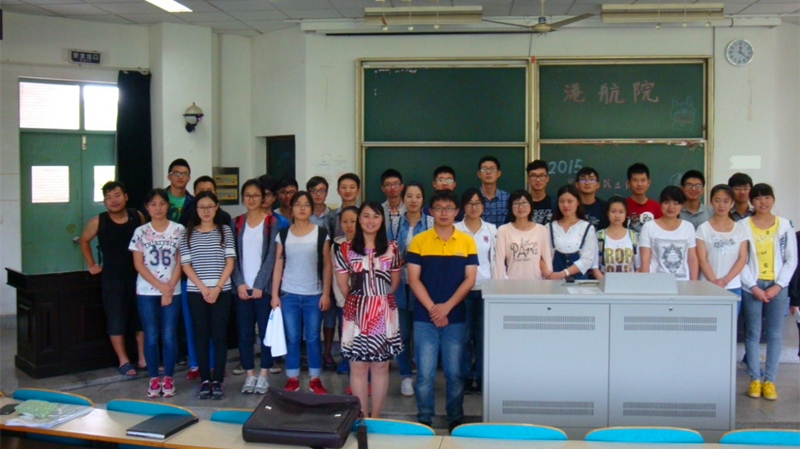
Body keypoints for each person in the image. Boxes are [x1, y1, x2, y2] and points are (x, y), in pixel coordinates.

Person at [406, 189, 478, 433]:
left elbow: (469, 279)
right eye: (438, 208)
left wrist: (446, 307)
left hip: (455, 317)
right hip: (424, 318)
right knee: (425, 374)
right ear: (430, 211)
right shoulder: (420, 240)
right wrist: (433, 309)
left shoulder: (466, 241)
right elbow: (413, 279)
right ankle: (424, 419)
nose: (444, 213)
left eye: (449, 208)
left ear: (457, 211)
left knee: (455, 373)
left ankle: (455, 419)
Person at [334, 202, 403, 417]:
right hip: (356, 311)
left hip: (383, 311)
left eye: (375, 216)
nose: (370, 221)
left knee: (380, 366)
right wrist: (362, 300)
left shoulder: (392, 247)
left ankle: (376, 417)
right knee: (358, 366)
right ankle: (362, 416)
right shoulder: (344, 248)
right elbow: (343, 285)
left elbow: (394, 282)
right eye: (365, 216)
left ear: (382, 219)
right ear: (358, 219)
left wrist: (377, 298)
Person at [79, 181, 146, 377]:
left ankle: (143, 358)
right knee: (116, 320)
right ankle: (123, 360)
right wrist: (91, 264)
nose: (113, 200)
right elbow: (84, 240)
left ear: (125, 196)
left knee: (141, 319)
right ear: (104, 202)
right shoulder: (98, 221)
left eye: (117, 195)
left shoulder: (137, 216)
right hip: (112, 279)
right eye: (108, 197)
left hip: (139, 276)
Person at [740, 183, 797, 401]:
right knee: (753, 333)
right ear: (751, 202)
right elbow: (740, 259)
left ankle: (770, 381)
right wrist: (753, 286)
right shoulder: (742, 225)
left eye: (767, 197)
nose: (763, 202)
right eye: (758, 198)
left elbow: (791, 259)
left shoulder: (785, 225)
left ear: (773, 200)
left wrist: (778, 285)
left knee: (774, 334)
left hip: (777, 286)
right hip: (751, 286)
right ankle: (755, 379)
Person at [271, 191, 332, 394]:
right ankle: (292, 378)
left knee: (313, 337)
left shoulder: (321, 233)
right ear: (292, 207)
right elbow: (278, 265)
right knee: (292, 337)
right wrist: (274, 295)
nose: (302, 208)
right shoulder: (283, 234)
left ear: (311, 208)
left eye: (306, 204)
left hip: (314, 294)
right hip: (289, 294)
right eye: (298, 204)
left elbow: (327, 265)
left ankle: (315, 378)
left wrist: (325, 293)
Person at [180, 191, 236, 400]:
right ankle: (205, 380)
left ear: (216, 207)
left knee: (219, 336)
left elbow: (230, 262)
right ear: (195, 209)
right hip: (197, 292)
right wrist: (203, 288)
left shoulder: (224, 231)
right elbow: (186, 265)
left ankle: (218, 381)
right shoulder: (187, 233)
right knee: (201, 336)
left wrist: (217, 287)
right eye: (201, 207)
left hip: (222, 291)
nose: (206, 211)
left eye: (210, 206)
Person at [128, 189, 183, 398]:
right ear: (146, 207)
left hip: (172, 290)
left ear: (168, 205)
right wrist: (161, 287)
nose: (158, 208)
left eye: (162, 203)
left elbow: (181, 261)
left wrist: (169, 287)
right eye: (153, 204)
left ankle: (168, 377)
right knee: (150, 335)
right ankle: (153, 378)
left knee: (169, 334)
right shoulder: (140, 231)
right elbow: (138, 264)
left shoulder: (178, 230)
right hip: (146, 291)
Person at [230, 179, 281, 394]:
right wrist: (240, 283)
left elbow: (272, 256)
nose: (251, 199)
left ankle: (264, 374)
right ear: (243, 198)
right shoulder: (236, 222)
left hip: (263, 290)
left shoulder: (271, 222)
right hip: (241, 290)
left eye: (256, 195)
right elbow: (231, 256)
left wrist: (260, 284)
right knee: (244, 334)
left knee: (266, 333)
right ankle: (249, 374)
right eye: (248, 195)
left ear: (263, 198)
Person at [387, 182, 432, 396]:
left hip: (425, 287)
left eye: (418, 196)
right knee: (403, 334)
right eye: (410, 196)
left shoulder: (431, 223)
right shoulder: (395, 224)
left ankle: (423, 376)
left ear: (423, 200)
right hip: (400, 287)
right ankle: (406, 376)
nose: (414, 200)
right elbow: (388, 252)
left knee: (423, 336)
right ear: (403, 199)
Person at [454, 188, 496, 395]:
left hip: (485, 290)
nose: (474, 207)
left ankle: (479, 376)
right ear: (463, 207)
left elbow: (495, 260)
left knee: (482, 337)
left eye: (477, 203)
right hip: (461, 290)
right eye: (469, 203)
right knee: (463, 336)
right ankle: (464, 377)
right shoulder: (455, 229)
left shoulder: (492, 230)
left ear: (483, 206)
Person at [696, 184, 748, 312]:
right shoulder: (703, 228)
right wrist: (714, 282)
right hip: (707, 285)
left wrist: (725, 281)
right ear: (711, 202)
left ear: (732, 203)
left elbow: (742, 258)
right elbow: (702, 259)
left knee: (730, 323)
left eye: (726, 201)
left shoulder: (740, 229)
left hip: (732, 286)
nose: (721, 205)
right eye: (717, 201)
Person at [639, 186, 699, 281]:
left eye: (676, 203)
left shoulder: (688, 227)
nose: (671, 207)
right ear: (660, 203)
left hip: (683, 283)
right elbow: (645, 260)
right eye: (666, 202)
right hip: (656, 283)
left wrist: (694, 283)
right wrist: (645, 282)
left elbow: (692, 259)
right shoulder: (649, 227)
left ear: (682, 205)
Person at [493, 190, 553, 280]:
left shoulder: (542, 230)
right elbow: (499, 262)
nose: (520, 207)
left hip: (537, 283)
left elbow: (547, 259)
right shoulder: (503, 230)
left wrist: (549, 281)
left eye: (524, 203)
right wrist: (498, 284)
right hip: (512, 283)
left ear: (531, 205)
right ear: (510, 207)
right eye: (516, 203)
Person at [331, 206, 359, 391]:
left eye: (353, 221)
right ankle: (352, 381)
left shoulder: (367, 243)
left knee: (365, 343)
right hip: (343, 301)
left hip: (365, 302)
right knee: (347, 341)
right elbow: (333, 273)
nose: (349, 225)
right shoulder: (336, 245)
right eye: (345, 221)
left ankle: (367, 381)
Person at [545, 185, 598, 281]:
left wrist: (564, 273)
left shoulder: (587, 227)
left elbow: (587, 259)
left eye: (570, 201)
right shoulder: (549, 227)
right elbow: (544, 256)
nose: (565, 205)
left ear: (578, 202)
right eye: (561, 201)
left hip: (580, 282)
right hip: (554, 280)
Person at [591, 196, 639, 278]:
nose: (617, 216)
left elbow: (639, 266)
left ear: (626, 214)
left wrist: (633, 282)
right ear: (607, 213)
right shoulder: (598, 236)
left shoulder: (634, 236)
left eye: (621, 212)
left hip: (630, 283)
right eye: (613, 211)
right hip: (604, 283)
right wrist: (604, 283)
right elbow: (594, 267)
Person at [625, 162, 661, 233]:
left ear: (649, 182)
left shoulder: (656, 206)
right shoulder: (622, 205)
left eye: (643, 180)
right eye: (635, 180)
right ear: (628, 183)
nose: (639, 184)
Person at [476, 156, 509, 227]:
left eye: (492, 169)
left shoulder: (508, 198)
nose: (488, 172)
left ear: (498, 173)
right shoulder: (472, 199)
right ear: (479, 174)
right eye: (484, 169)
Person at [575, 167, 609, 231]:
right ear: (577, 184)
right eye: (583, 179)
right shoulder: (571, 206)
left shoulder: (605, 207)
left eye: (591, 180)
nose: (587, 183)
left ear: (598, 185)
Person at [328, 173, 361, 238]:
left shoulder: (364, 214)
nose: (348, 191)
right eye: (343, 187)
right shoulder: (331, 216)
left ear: (358, 190)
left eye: (352, 187)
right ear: (338, 190)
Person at [526, 160, 556, 225]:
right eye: (534, 176)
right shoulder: (521, 204)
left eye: (541, 176)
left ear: (547, 178)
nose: (538, 179)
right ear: (528, 179)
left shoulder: (555, 203)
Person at [164, 158, 193, 224]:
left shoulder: (193, 202)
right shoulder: (158, 197)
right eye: (176, 173)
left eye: (184, 174)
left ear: (189, 178)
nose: (180, 177)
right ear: (169, 176)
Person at [380, 169, 405, 238]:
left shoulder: (410, 208)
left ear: (402, 186)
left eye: (396, 184)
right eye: (388, 184)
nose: (392, 187)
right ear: (382, 188)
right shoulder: (379, 209)